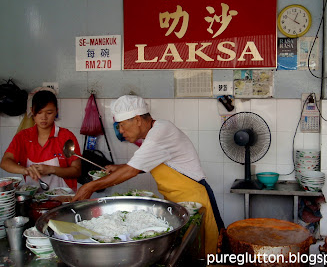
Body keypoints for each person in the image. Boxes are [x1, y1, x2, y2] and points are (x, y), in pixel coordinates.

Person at [73, 95, 224, 255]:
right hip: (181, 202)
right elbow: (142, 164)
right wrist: (118, 168)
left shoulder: (161, 132)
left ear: (137, 119)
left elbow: (133, 169)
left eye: (122, 125)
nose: (121, 131)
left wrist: (90, 186)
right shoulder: (155, 133)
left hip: (196, 201)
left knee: (212, 252)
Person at [0, 90, 81, 191]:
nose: (44, 117)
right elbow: (5, 162)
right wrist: (25, 170)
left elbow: (77, 171)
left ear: (56, 111)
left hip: (64, 198)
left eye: (49, 112)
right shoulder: (23, 136)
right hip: (33, 199)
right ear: (32, 111)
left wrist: (51, 169)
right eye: (39, 112)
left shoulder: (66, 136)